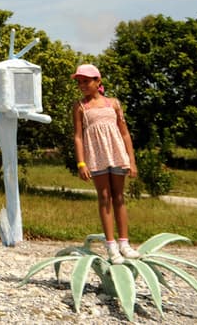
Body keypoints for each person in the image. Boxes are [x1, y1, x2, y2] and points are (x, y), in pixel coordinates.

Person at [71, 63, 140, 264]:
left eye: (86, 81)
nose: (82, 85)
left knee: (119, 196)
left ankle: (124, 244)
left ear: (98, 81)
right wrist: (81, 164)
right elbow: (78, 136)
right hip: (96, 156)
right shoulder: (80, 107)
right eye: (80, 82)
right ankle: (111, 246)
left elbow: (125, 133)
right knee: (104, 196)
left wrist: (132, 161)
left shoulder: (113, 104)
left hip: (117, 153)